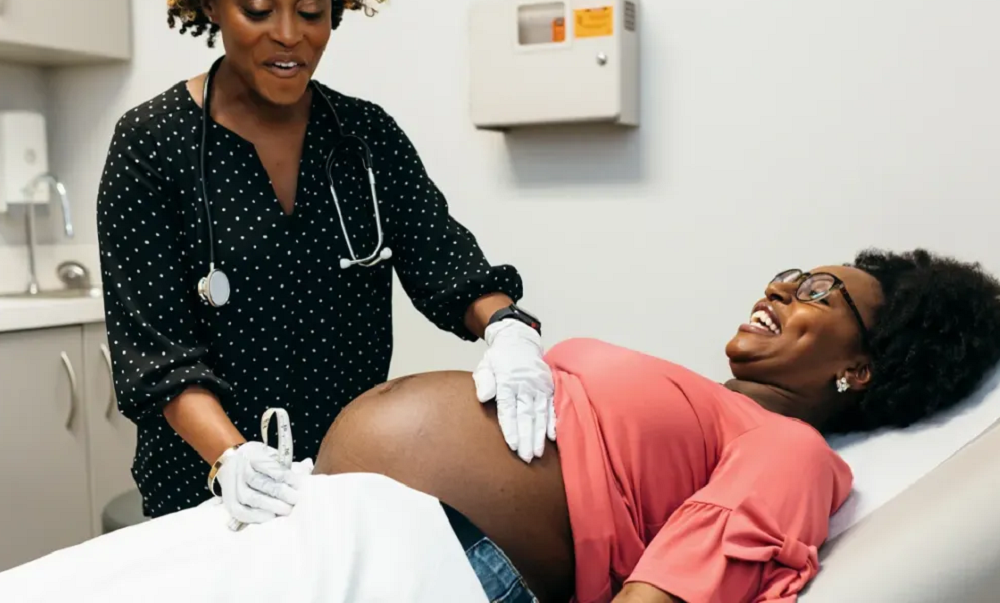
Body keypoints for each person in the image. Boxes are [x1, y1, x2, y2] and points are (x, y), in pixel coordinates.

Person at [2, 249, 998, 603]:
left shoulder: (792, 451)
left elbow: (665, 593)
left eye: (819, 291)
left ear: (861, 367)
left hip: (427, 559)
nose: (781, 287)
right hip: (320, 515)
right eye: (789, 272)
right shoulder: (709, 403)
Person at [97, 0, 555, 525]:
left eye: (311, 10)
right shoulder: (152, 144)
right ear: (210, 2)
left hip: (346, 481)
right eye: (258, 9)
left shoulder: (365, 137)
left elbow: (446, 263)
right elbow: (158, 353)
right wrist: (233, 459)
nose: (290, 34)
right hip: (208, 492)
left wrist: (509, 330)